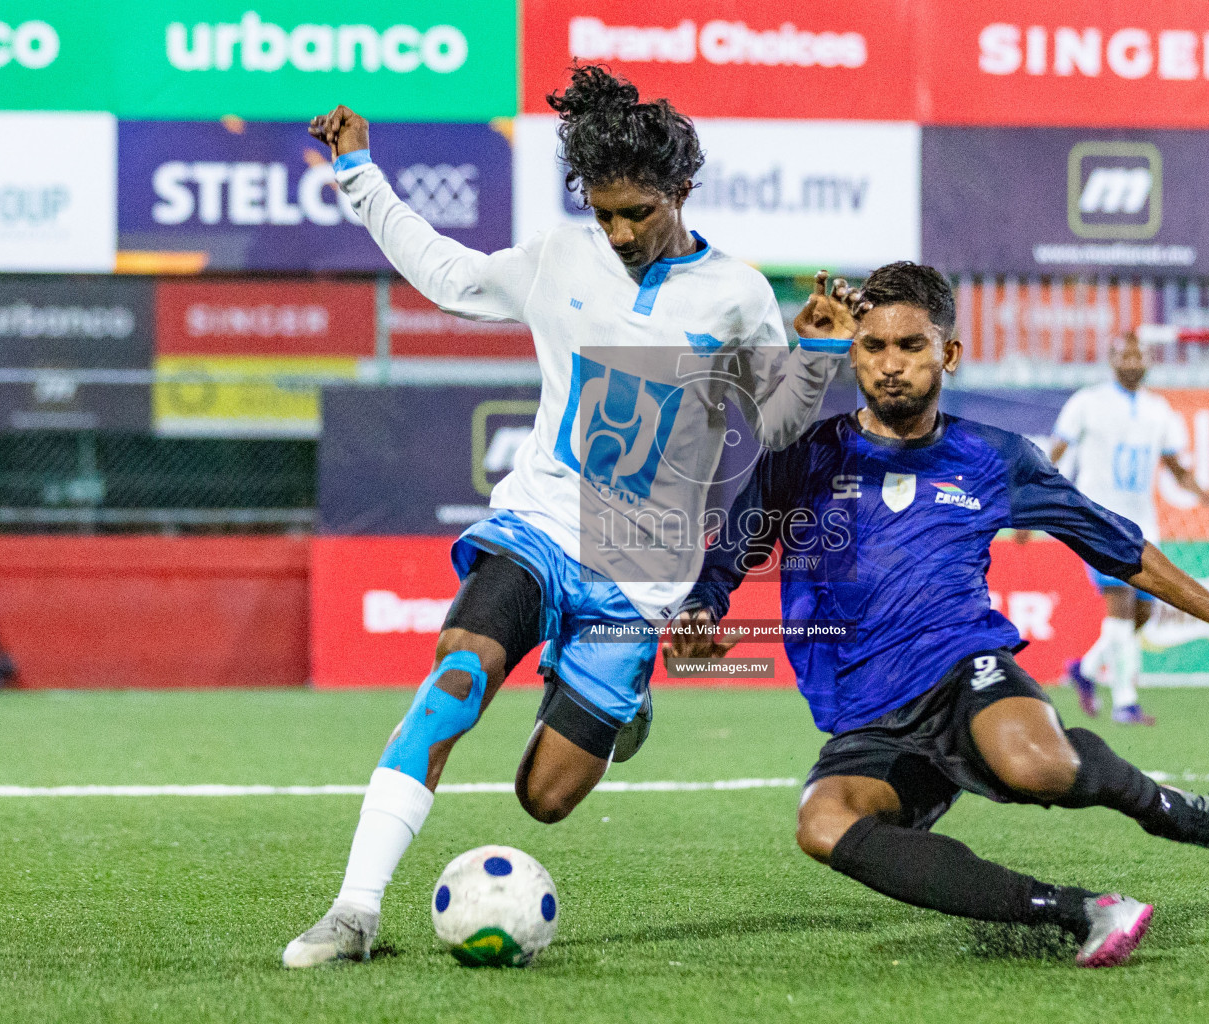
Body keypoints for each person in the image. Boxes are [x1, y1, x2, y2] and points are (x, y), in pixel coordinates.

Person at [284, 66, 853, 967]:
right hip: (539, 529)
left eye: (637, 212)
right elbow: (449, 275)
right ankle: (353, 911)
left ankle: (624, 708)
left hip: (642, 572)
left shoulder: (736, 294)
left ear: (681, 190)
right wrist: (359, 172)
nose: (620, 232)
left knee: (543, 799)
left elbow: (777, 425)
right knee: (457, 680)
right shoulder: (561, 256)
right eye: (603, 212)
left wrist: (817, 348)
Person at [668, 263, 1209, 967]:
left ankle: (1172, 810)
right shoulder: (802, 456)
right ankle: (1077, 910)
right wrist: (700, 613)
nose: (890, 366)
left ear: (948, 355)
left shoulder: (991, 457)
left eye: (910, 347)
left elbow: (1119, 545)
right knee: (822, 823)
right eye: (872, 347)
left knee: (1035, 767)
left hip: (963, 669)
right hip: (866, 716)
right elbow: (729, 554)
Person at [1050, 335, 1209, 725]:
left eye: (1138, 354)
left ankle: (1084, 669)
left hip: (1142, 523)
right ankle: (1125, 702)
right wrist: (1035, 498)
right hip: (1098, 520)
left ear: (1148, 360)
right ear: (1111, 358)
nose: (1132, 360)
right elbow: (1055, 453)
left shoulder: (1159, 411)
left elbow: (1177, 469)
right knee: (1121, 605)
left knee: (1144, 612)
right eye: (1124, 353)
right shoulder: (1087, 403)